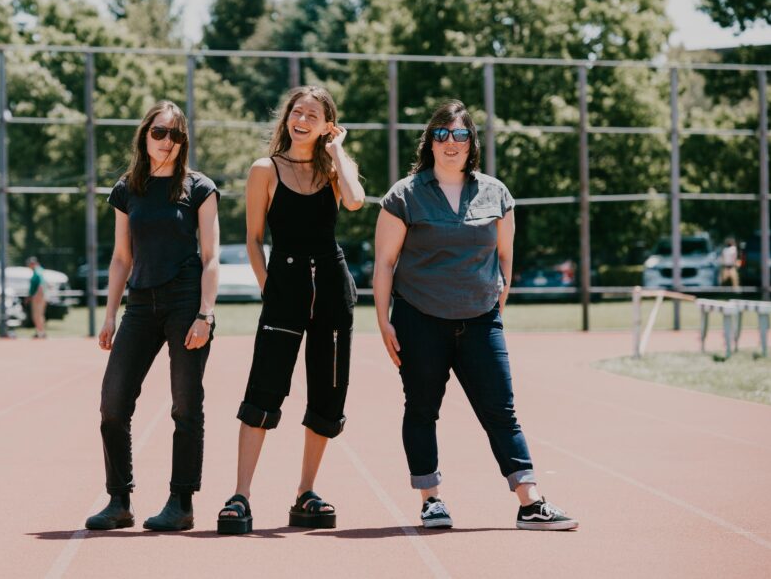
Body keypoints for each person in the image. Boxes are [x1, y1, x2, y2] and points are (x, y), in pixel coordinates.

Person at [373, 99, 578, 531]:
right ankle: (431, 500)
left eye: (460, 135)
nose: (451, 143)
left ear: (472, 144)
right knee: (422, 409)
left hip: (481, 321)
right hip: (419, 319)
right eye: (442, 134)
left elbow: (505, 258)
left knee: (501, 411)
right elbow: (385, 264)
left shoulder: (496, 192)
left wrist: (495, 302)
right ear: (430, 141)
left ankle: (530, 502)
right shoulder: (404, 195)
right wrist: (383, 319)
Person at [217, 86, 364, 534]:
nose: (301, 119)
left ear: (326, 125)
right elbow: (253, 238)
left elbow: (356, 201)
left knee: (327, 393)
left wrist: (337, 151)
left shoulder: (336, 169)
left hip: (333, 291)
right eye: (296, 112)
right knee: (264, 388)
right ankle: (240, 496)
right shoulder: (265, 169)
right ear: (287, 119)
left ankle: (305, 493)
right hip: (285, 288)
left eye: (313, 115)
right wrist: (269, 288)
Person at [85, 101, 220, 532]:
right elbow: (121, 257)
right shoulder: (129, 188)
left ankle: (181, 502)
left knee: (185, 405)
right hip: (140, 304)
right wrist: (109, 315)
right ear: (145, 135)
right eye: (160, 133)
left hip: (185, 301)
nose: (167, 142)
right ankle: (118, 500)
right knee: (112, 404)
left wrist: (206, 314)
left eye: (176, 135)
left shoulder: (199, 187)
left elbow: (211, 256)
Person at [26, 257, 47, 339]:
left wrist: (38, 296)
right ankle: (40, 331)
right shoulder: (39, 270)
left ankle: (41, 332)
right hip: (38, 295)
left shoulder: (38, 271)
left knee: (37, 315)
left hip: (38, 296)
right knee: (39, 315)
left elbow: (41, 285)